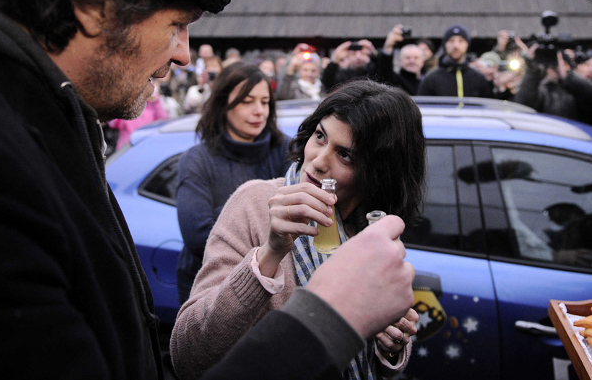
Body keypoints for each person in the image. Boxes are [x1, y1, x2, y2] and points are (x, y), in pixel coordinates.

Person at [0, 0, 417, 378]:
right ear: (98, 1)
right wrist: (329, 316)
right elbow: (188, 350)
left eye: (345, 154)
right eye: (177, 24)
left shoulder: (57, 128)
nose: (184, 55)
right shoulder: (4, 159)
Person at [171, 80, 425, 380]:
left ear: (376, 172)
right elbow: (187, 355)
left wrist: (391, 343)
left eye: (344, 155)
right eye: (319, 136)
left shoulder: (372, 226)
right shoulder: (255, 204)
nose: (317, 161)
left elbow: (362, 358)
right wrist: (270, 253)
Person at [176, 61, 292, 302]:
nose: (259, 111)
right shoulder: (197, 160)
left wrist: (224, 215)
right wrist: (263, 220)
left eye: (264, 102)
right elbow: (198, 236)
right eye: (247, 101)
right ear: (223, 104)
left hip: (277, 286)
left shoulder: (285, 151)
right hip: (211, 290)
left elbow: (296, 221)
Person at [418, 24, 493, 98]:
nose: (456, 45)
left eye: (461, 41)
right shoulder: (430, 79)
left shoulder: (479, 79)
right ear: (445, 45)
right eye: (451, 41)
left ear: (467, 45)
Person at [377, 24, 425, 95]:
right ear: (401, 62)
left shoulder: (429, 80)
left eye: (416, 58)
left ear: (422, 61)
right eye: (407, 58)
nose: (412, 61)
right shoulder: (396, 81)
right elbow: (384, 73)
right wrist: (388, 46)